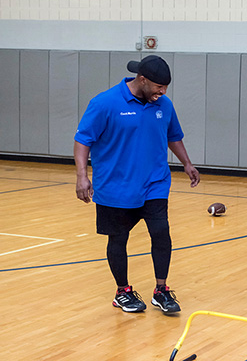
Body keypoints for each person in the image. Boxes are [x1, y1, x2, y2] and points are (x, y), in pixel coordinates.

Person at [74, 55, 200, 314]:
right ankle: (123, 291)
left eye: (165, 88)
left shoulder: (164, 105)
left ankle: (161, 290)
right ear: (142, 80)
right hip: (115, 187)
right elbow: (83, 140)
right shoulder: (105, 103)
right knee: (118, 239)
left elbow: (173, 136)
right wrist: (81, 175)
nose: (162, 93)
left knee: (161, 232)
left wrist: (187, 163)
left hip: (154, 183)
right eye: (158, 87)